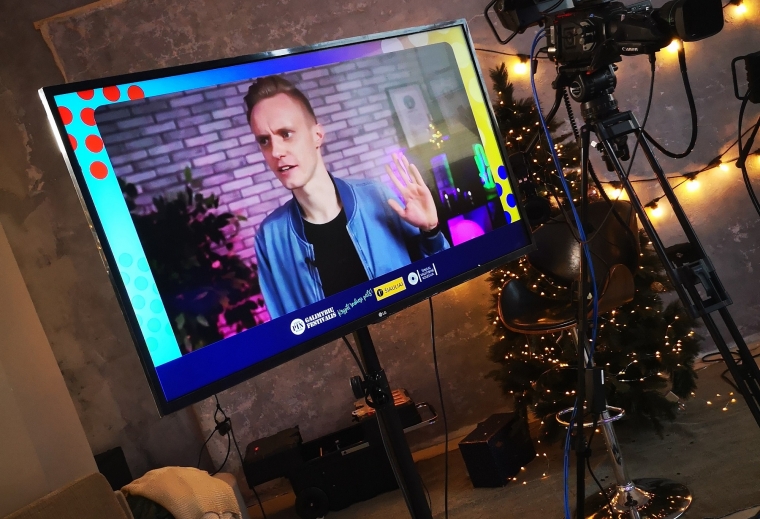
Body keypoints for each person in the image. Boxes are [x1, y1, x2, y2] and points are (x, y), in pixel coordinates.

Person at [245, 75, 449, 319]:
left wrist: (431, 231)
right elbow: (287, 330)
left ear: (317, 135)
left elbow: (444, 282)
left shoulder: (378, 197)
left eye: (286, 134)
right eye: (264, 141)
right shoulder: (270, 238)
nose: (276, 151)